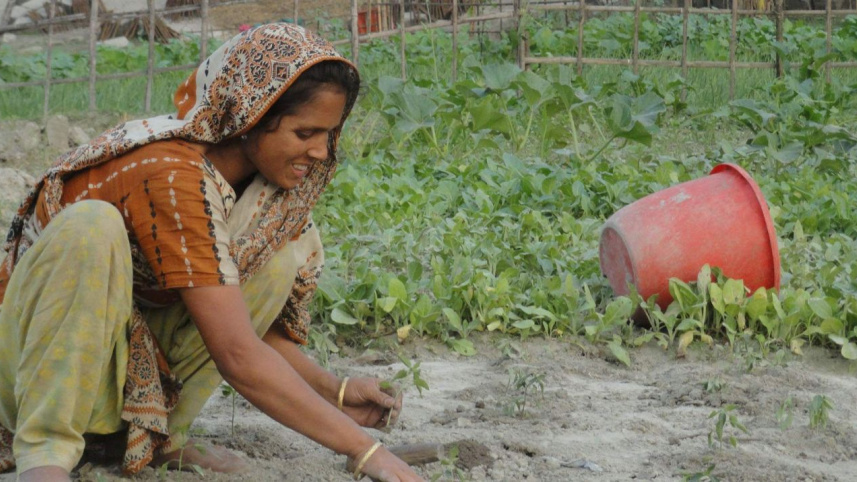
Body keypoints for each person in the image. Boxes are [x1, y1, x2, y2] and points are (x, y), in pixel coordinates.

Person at [0, 23, 423, 482]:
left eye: (328, 133)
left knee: (275, 262)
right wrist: (366, 452)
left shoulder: (258, 192)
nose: (322, 151)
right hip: (26, 371)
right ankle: (44, 454)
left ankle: (157, 440)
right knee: (91, 226)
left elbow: (234, 323)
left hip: (106, 359)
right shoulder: (169, 172)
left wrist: (334, 392)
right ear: (250, 117)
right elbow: (237, 355)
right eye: (306, 133)